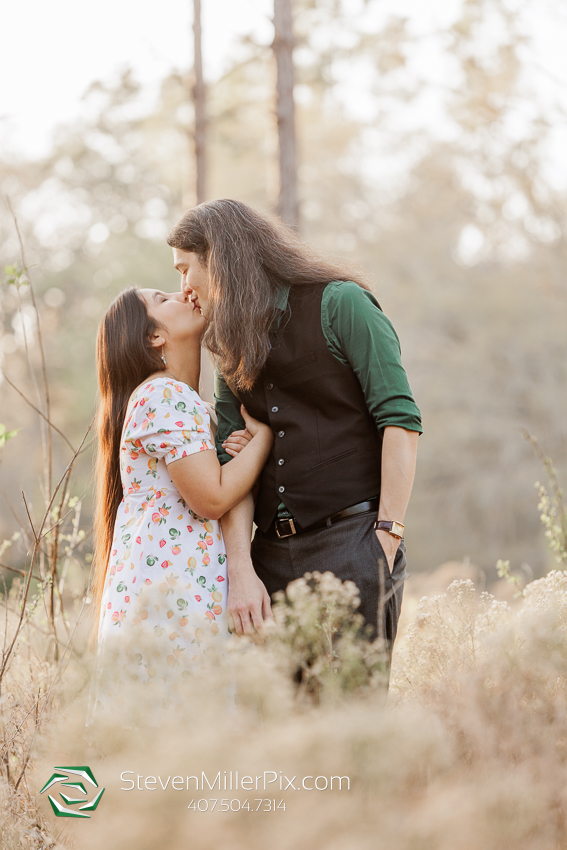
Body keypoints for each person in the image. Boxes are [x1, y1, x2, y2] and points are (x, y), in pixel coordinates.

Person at [166, 199, 422, 655]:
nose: (183, 288)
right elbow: (230, 462)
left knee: (354, 714)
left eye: (186, 269)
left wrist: (387, 534)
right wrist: (242, 571)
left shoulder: (342, 303)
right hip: (269, 562)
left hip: (355, 543)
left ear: (220, 256)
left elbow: (399, 421)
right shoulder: (226, 344)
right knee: (282, 721)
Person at [86, 285, 273, 722]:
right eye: (163, 297)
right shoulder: (163, 396)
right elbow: (212, 498)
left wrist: (241, 451)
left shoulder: (179, 401)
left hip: (174, 599)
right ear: (154, 336)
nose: (183, 291)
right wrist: (263, 439)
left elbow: (212, 484)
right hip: (170, 606)